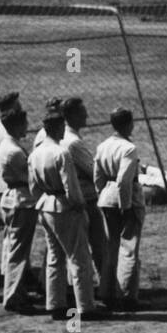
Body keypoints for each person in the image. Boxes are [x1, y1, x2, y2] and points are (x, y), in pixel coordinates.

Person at [31, 104, 104, 321]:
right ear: (58, 128)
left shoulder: (36, 153)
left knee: (55, 257)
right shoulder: (61, 152)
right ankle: (86, 306)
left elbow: (33, 186)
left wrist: (42, 202)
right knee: (79, 257)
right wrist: (79, 205)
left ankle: (55, 303)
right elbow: (70, 184)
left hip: (45, 205)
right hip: (65, 206)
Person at [93, 106, 144, 311]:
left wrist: (103, 193)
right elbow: (124, 179)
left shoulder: (103, 145)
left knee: (110, 247)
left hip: (106, 196)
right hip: (126, 198)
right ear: (127, 124)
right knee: (129, 248)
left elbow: (98, 175)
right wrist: (126, 205)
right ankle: (127, 295)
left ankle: (106, 291)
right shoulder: (128, 148)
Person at [0, 107, 39, 313]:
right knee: (18, 252)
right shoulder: (13, 150)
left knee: (16, 249)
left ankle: (16, 292)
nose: (27, 128)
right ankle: (13, 296)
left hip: (13, 199)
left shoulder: (7, 145)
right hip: (21, 201)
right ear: (15, 125)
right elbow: (29, 177)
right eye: (24, 124)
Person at [61, 97, 105, 286]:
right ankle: (104, 287)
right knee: (98, 245)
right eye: (81, 112)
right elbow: (92, 169)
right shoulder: (73, 143)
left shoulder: (64, 138)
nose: (86, 115)